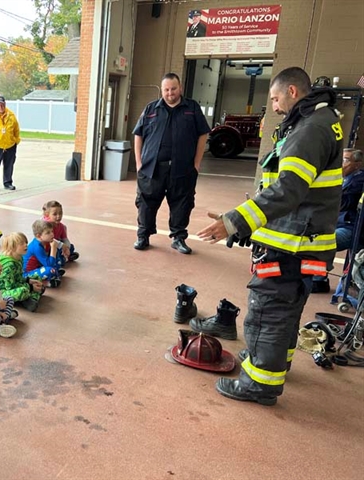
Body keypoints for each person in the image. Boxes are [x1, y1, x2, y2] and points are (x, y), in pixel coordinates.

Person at [197, 67, 344, 406]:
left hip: (292, 244)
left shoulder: (309, 130)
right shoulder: (323, 122)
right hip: (303, 241)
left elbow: (287, 190)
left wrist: (233, 222)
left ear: (292, 91)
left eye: (276, 99)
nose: (275, 107)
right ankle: (276, 361)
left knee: (268, 311)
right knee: (287, 311)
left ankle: (259, 384)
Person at [133, 72, 210, 254]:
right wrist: (139, 163)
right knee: (146, 204)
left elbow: (203, 135)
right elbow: (138, 134)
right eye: (166, 90)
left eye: (173, 89)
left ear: (180, 88)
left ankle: (178, 238)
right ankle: (143, 236)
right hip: (152, 169)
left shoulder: (192, 108)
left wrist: (197, 163)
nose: (170, 93)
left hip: (183, 169)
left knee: (182, 204)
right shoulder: (151, 109)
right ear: (162, 90)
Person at [312, 148, 364, 292]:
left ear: (357, 164)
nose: (341, 163)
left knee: (323, 243)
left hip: (351, 227)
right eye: (340, 159)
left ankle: (318, 280)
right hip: (336, 223)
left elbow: (341, 203)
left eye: (346, 160)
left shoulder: (359, 179)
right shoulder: (342, 177)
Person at [0, 232, 44, 312]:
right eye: (21, 244)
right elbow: (10, 287)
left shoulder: (19, 257)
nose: (26, 245)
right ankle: (32, 298)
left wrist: (28, 280)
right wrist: (30, 286)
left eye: (26, 242)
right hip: (4, 292)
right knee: (24, 291)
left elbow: (18, 277)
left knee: (36, 277)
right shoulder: (8, 265)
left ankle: (30, 298)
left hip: (15, 284)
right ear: (12, 247)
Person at [23, 220, 63, 287]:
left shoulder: (46, 241)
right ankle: (45, 282)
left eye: (52, 231)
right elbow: (49, 265)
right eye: (48, 233)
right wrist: (53, 248)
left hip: (39, 266)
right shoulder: (36, 246)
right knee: (49, 270)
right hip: (28, 273)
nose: (52, 234)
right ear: (39, 236)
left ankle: (53, 274)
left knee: (59, 259)